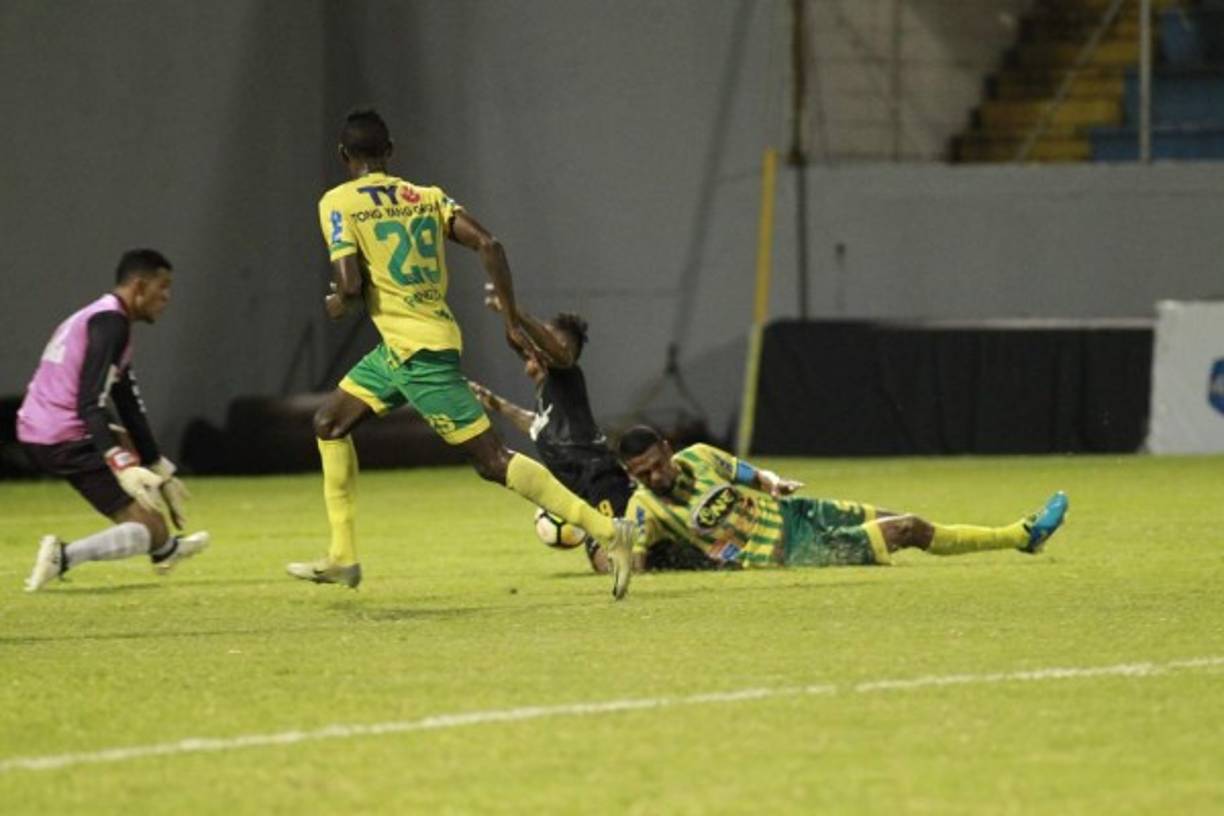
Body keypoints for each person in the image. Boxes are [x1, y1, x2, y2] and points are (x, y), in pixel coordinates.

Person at [288, 108, 634, 597]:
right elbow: (490, 244)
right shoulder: (426, 197)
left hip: (418, 355)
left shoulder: (337, 201)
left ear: (344, 156)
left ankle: (607, 532)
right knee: (329, 423)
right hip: (407, 346)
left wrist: (336, 302)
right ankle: (343, 556)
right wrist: (511, 319)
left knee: (493, 461)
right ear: (391, 153)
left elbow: (347, 285)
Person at [468, 290, 721, 573]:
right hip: (586, 494)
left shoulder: (566, 376)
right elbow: (537, 425)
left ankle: (703, 560)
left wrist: (512, 310)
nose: (537, 345)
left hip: (602, 482)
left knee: (616, 560)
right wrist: (497, 404)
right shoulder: (549, 397)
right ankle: (688, 555)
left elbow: (542, 347)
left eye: (546, 339)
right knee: (610, 559)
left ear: (563, 348)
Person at [616, 425, 1068, 570]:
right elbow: (629, 564)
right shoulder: (643, 509)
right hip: (793, 552)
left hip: (800, 514)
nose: (654, 476)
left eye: (657, 464)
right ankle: (1020, 534)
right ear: (631, 475)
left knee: (909, 522)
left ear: (669, 450)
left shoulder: (699, 456)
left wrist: (773, 483)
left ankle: (1023, 538)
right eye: (642, 473)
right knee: (908, 528)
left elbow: (749, 473)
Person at [17, 249, 209, 591]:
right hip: (61, 435)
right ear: (138, 286)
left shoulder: (103, 316)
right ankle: (64, 555)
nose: (167, 297)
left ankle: (166, 549)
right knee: (150, 529)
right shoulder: (111, 324)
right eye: (162, 287)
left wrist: (156, 465)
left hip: (42, 428)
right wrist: (122, 464)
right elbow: (90, 401)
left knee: (151, 523)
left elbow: (127, 402)